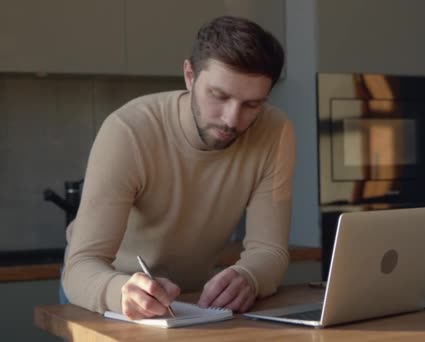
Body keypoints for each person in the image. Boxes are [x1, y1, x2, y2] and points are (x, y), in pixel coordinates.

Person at [61, 15, 295, 319]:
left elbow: (270, 250)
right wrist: (119, 293)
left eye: (252, 105)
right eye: (219, 96)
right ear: (189, 75)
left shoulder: (275, 132)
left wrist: (250, 277)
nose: (232, 119)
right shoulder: (129, 130)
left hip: (193, 302)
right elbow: (81, 266)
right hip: (108, 296)